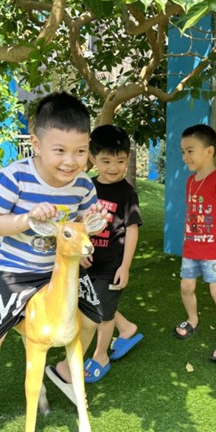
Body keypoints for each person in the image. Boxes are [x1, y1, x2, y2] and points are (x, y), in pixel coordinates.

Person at [0, 92, 104, 432]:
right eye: (60, 150)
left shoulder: (84, 185)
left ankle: (61, 371)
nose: (71, 161)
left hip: (59, 273)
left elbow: (82, 221)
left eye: (80, 151)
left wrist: (85, 234)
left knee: (93, 319)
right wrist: (27, 219)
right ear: (36, 144)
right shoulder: (14, 176)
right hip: (15, 272)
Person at [52, 124, 143, 388]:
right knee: (96, 305)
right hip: (88, 262)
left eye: (120, 161)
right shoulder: (87, 188)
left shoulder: (127, 193)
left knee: (102, 314)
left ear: (127, 158)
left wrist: (125, 266)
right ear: (93, 158)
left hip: (112, 266)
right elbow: (80, 224)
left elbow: (132, 230)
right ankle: (126, 329)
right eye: (106, 161)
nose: (113, 167)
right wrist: (80, 254)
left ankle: (101, 356)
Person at [174, 123, 216, 362]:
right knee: (186, 287)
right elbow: (191, 212)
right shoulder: (190, 181)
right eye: (183, 151)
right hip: (192, 247)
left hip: (214, 248)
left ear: (209, 151)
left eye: (190, 151)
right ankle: (192, 320)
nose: (185, 156)